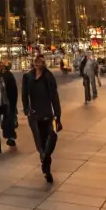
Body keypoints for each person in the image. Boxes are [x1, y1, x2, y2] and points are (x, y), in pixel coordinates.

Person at [22, 53, 62, 183]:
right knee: (40, 144)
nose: (39, 63)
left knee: (52, 138)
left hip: (48, 115)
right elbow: (24, 95)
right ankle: (47, 170)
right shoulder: (27, 77)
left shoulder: (48, 77)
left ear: (44, 63)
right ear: (34, 63)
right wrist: (26, 109)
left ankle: (45, 158)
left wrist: (58, 115)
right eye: (37, 61)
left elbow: (54, 97)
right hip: (34, 116)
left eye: (41, 61)